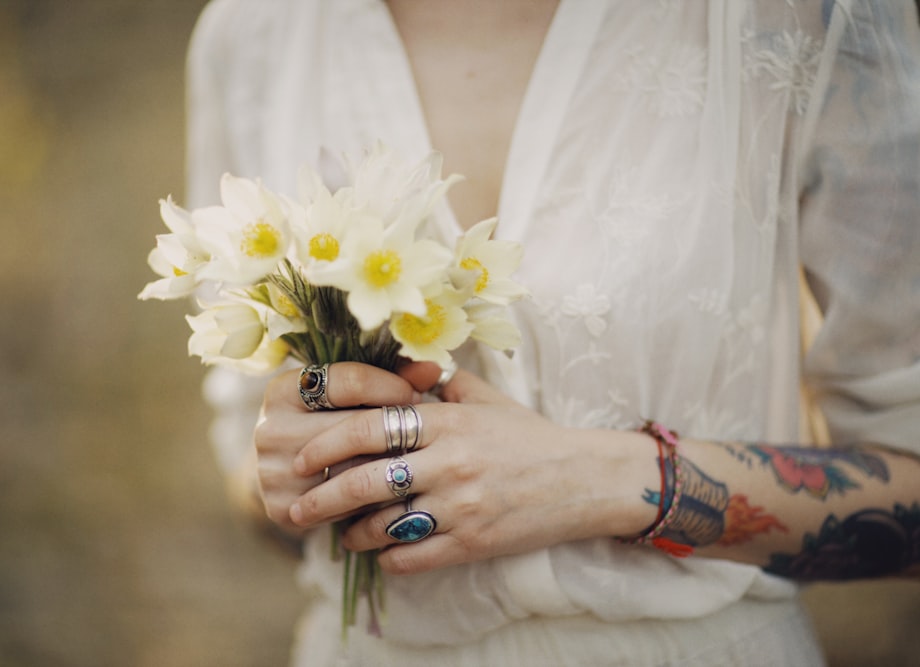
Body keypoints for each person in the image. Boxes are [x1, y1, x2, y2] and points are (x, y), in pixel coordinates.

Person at [186, 0, 920, 664]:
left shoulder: (801, 18)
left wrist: (599, 479)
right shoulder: (254, 34)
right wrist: (291, 477)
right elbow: (249, 465)